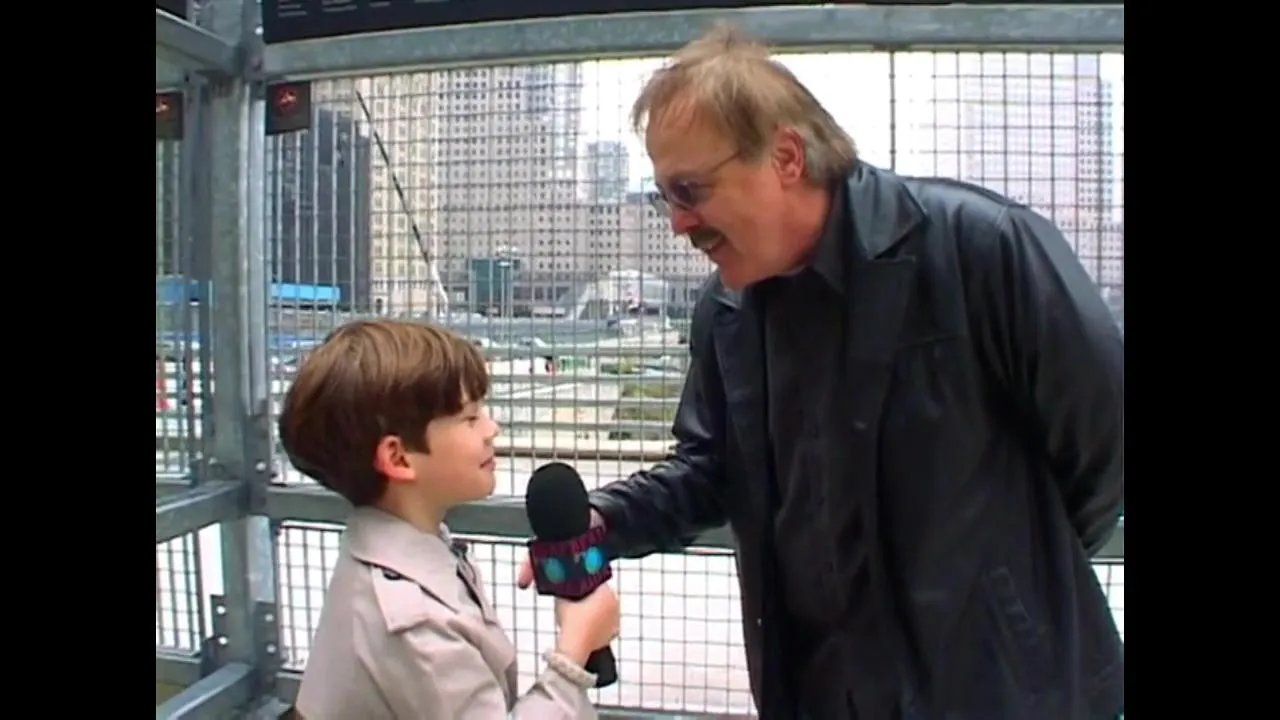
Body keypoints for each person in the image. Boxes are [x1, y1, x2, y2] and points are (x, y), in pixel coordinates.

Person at [518, 25, 1124, 720]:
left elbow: (1104, 437)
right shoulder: (727, 310)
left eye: (690, 191)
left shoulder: (981, 247)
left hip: (1006, 696)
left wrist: (1013, 587)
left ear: (785, 157)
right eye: (665, 198)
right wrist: (607, 520)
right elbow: (711, 469)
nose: (678, 224)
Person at [280, 319, 619, 719]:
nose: (492, 428)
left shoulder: (408, 555)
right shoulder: (413, 620)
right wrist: (573, 653)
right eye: (470, 417)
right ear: (398, 458)